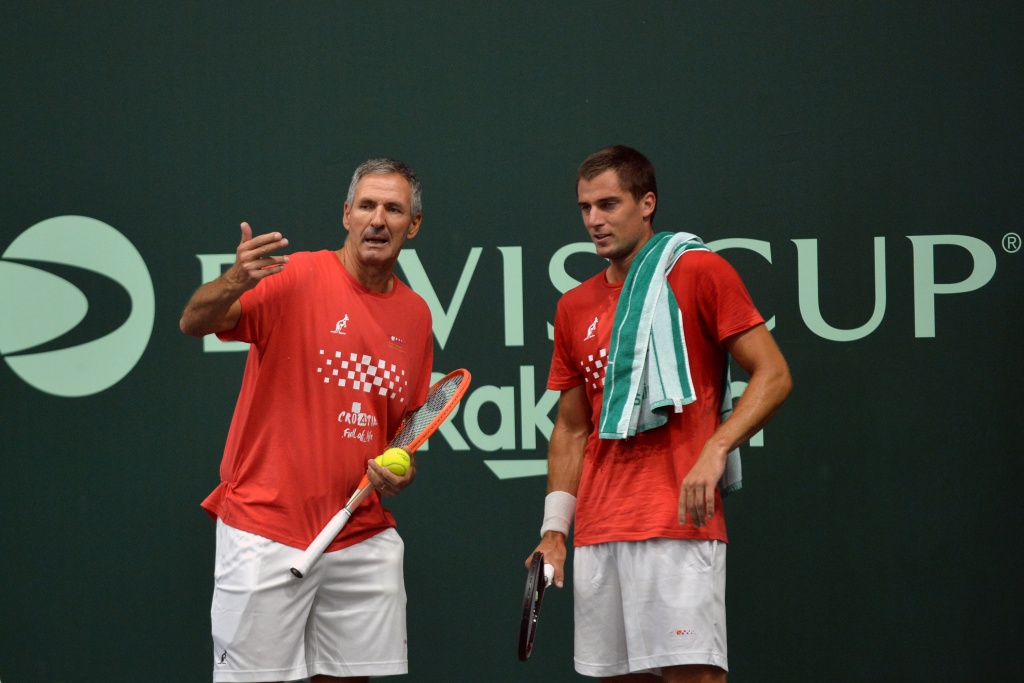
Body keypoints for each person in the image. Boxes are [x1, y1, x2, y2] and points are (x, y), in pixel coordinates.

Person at [528, 146, 792, 682]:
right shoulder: (573, 306)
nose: (594, 221)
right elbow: (573, 427)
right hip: (600, 532)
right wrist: (556, 529)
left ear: (647, 203)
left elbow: (774, 374)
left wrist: (716, 448)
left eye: (608, 204)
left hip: (678, 523)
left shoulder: (700, 272)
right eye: (585, 208)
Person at [180, 158, 433, 683]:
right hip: (266, 526)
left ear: (413, 226)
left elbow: (403, 434)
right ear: (346, 214)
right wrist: (233, 280)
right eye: (366, 206)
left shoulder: (416, 315)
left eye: (393, 209)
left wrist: (402, 471)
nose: (378, 220)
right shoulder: (295, 277)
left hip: (359, 531)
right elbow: (193, 321)